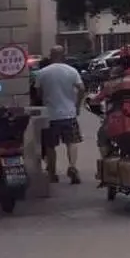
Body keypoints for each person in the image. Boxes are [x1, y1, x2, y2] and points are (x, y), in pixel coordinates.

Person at [35, 45, 84, 183]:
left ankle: (52, 172)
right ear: (64, 55)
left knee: (50, 145)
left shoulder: (42, 73)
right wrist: (77, 105)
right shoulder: (71, 71)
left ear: (50, 56)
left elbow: (38, 93)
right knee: (72, 142)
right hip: (69, 113)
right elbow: (82, 88)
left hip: (50, 115)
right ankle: (72, 166)